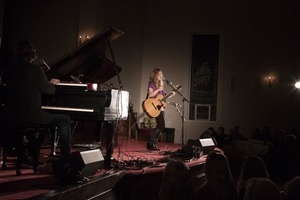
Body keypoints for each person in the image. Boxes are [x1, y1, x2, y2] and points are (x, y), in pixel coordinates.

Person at [3, 40, 72, 159]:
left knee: (42, 118)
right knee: (65, 120)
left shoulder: (9, 70)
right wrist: (51, 83)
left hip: (12, 115)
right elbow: (49, 91)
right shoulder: (35, 70)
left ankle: (31, 153)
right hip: (32, 116)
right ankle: (66, 156)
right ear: (32, 54)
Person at [145, 68, 175, 150]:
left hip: (160, 108)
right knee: (161, 125)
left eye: (162, 74)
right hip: (154, 107)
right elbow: (150, 95)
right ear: (155, 75)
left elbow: (163, 97)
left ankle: (153, 143)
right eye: (160, 74)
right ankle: (150, 143)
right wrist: (159, 89)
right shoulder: (151, 84)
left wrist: (172, 94)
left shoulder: (161, 86)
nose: (162, 76)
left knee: (161, 126)